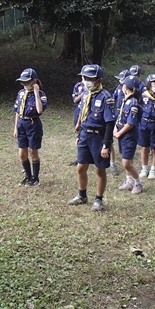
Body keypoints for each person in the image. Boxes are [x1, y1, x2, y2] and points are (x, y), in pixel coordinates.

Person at [67, 64, 116, 211]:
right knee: (81, 167)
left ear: (99, 80)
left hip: (99, 137)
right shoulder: (86, 95)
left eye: (90, 78)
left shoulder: (106, 97)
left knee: (99, 170)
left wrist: (106, 145)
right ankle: (82, 195)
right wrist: (79, 130)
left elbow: (109, 123)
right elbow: (83, 114)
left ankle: (98, 199)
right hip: (84, 135)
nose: (86, 81)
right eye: (84, 78)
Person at [13, 68, 47, 187]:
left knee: (33, 152)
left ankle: (35, 178)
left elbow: (39, 110)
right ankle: (28, 176)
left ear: (34, 81)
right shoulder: (21, 93)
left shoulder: (41, 95)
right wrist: (16, 127)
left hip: (33, 125)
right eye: (23, 82)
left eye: (27, 82)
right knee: (22, 153)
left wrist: (37, 93)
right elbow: (17, 111)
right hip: (22, 123)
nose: (24, 84)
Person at [115, 75, 144, 193]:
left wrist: (119, 133)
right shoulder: (126, 99)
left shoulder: (133, 103)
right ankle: (129, 181)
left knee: (126, 163)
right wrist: (115, 129)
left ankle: (138, 182)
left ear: (126, 86)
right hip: (122, 134)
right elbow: (120, 116)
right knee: (127, 159)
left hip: (129, 136)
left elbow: (131, 123)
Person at [109, 70, 130, 176]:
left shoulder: (131, 91)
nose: (119, 81)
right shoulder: (118, 88)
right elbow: (114, 99)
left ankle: (124, 152)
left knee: (124, 134)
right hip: (117, 114)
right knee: (114, 133)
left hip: (126, 115)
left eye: (121, 79)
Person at [69, 78, 85, 166]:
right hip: (78, 111)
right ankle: (79, 157)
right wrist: (84, 93)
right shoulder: (78, 86)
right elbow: (75, 100)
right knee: (79, 135)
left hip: (89, 113)